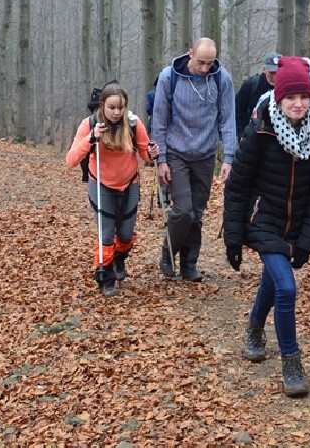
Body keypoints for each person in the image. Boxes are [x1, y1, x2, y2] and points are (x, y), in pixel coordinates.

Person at [223, 56, 310, 397]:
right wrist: (233, 237)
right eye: (291, 97)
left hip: (297, 224)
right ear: (279, 97)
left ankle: (255, 327)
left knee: (274, 280)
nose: (298, 104)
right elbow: (237, 185)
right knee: (286, 287)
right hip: (264, 221)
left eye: (304, 97)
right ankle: (291, 362)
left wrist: (308, 241)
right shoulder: (260, 128)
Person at [151, 37, 237, 282]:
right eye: (200, 62)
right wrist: (162, 160)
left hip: (205, 154)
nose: (204, 68)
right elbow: (159, 120)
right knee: (183, 211)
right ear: (190, 53)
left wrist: (228, 158)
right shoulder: (169, 77)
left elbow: (228, 119)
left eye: (210, 63)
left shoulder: (221, 78)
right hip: (176, 152)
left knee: (197, 212)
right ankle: (168, 253)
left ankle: (189, 264)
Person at [66, 84, 159, 296]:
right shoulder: (89, 124)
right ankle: (105, 276)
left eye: (121, 108)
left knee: (125, 234)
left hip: (129, 183)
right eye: (112, 108)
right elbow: (71, 160)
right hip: (100, 183)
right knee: (106, 233)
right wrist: (91, 138)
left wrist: (152, 152)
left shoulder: (134, 124)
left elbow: (145, 154)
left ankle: (119, 258)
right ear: (102, 106)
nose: (117, 112)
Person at [234, 51, 280, 136]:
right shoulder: (251, 85)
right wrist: (240, 134)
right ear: (264, 69)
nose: (275, 77)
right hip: (251, 136)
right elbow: (237, 110)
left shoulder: (286, 89)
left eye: (278, 73)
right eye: (272, 72)